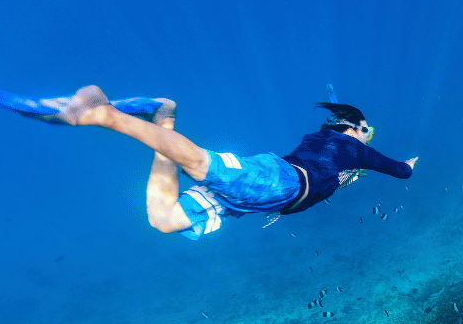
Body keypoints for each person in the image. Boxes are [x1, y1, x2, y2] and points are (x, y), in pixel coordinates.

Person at [58, 85, 416, 240]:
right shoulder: (353, 148)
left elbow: (332, 168)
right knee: (201, 163)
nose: (369, 137)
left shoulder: (326, 143)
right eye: (367, 131)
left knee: (163, 221)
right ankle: (104, 114)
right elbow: (399, 171)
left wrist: (349, 168)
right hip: (280, 182)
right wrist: (409, 165)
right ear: (355, 129)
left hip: (266, 197)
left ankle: (163, 118)